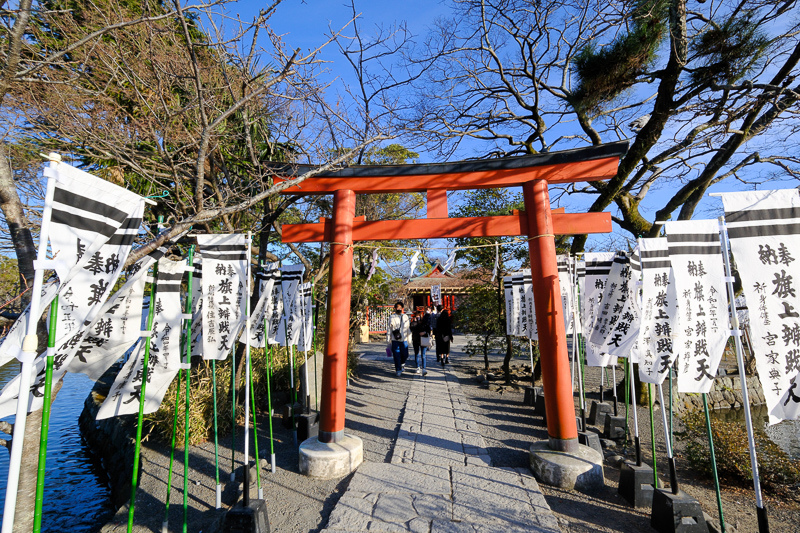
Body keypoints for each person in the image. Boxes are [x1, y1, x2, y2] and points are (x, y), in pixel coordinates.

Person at [387, 301, 411, 376]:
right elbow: (389, 329)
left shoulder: (405, 317)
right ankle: (398, 369)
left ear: (402, 308)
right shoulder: (392, 317)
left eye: (400, 307)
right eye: (397, 307)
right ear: (395, 308)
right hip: (395, 339)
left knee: (405, 354)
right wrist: (388, 339)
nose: (399, 309)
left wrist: (409, 339)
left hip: (404, 339)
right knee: (396, 355)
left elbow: (408, 329)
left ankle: (402, 363)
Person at [411, 309, 431, 375]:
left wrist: (424, 332)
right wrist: (414, 322)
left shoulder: (425, 322)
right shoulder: (413, 323)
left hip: (423, 339)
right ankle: (417, 367)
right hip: (416, 339)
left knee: (423, 355)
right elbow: (411, 329)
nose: (418, 318)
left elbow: (428, 330)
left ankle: (424, 368)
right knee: (416, 354)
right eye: (416, 316)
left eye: (419, 316)